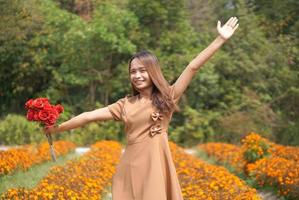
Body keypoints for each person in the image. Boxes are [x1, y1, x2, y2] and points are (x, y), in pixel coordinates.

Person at [44, 17, 239, 200]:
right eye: (133, 72)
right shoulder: (124, 104)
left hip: (156, 168)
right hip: (129, 168)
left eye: (142, 70)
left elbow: (192, 67)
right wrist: (57, 128)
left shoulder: (168, 96)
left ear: (152, 72)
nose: (137, 75)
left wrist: (220, 39)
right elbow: (88, 116)